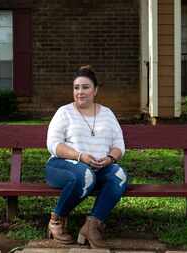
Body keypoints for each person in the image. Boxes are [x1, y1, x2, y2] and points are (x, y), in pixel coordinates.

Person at [45, 65, 128, 248]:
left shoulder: (107, 114)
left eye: (85, 87)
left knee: (119, 176)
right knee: (85, 174)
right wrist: (79, 156)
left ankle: (92, 226)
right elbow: (53, 145)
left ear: (95, 90)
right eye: (76, 88)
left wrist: (110, 159)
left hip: (99, 167)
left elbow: (119, 145)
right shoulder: (64, 112)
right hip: (63, 166)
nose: (80, 92)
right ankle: (56, 220)